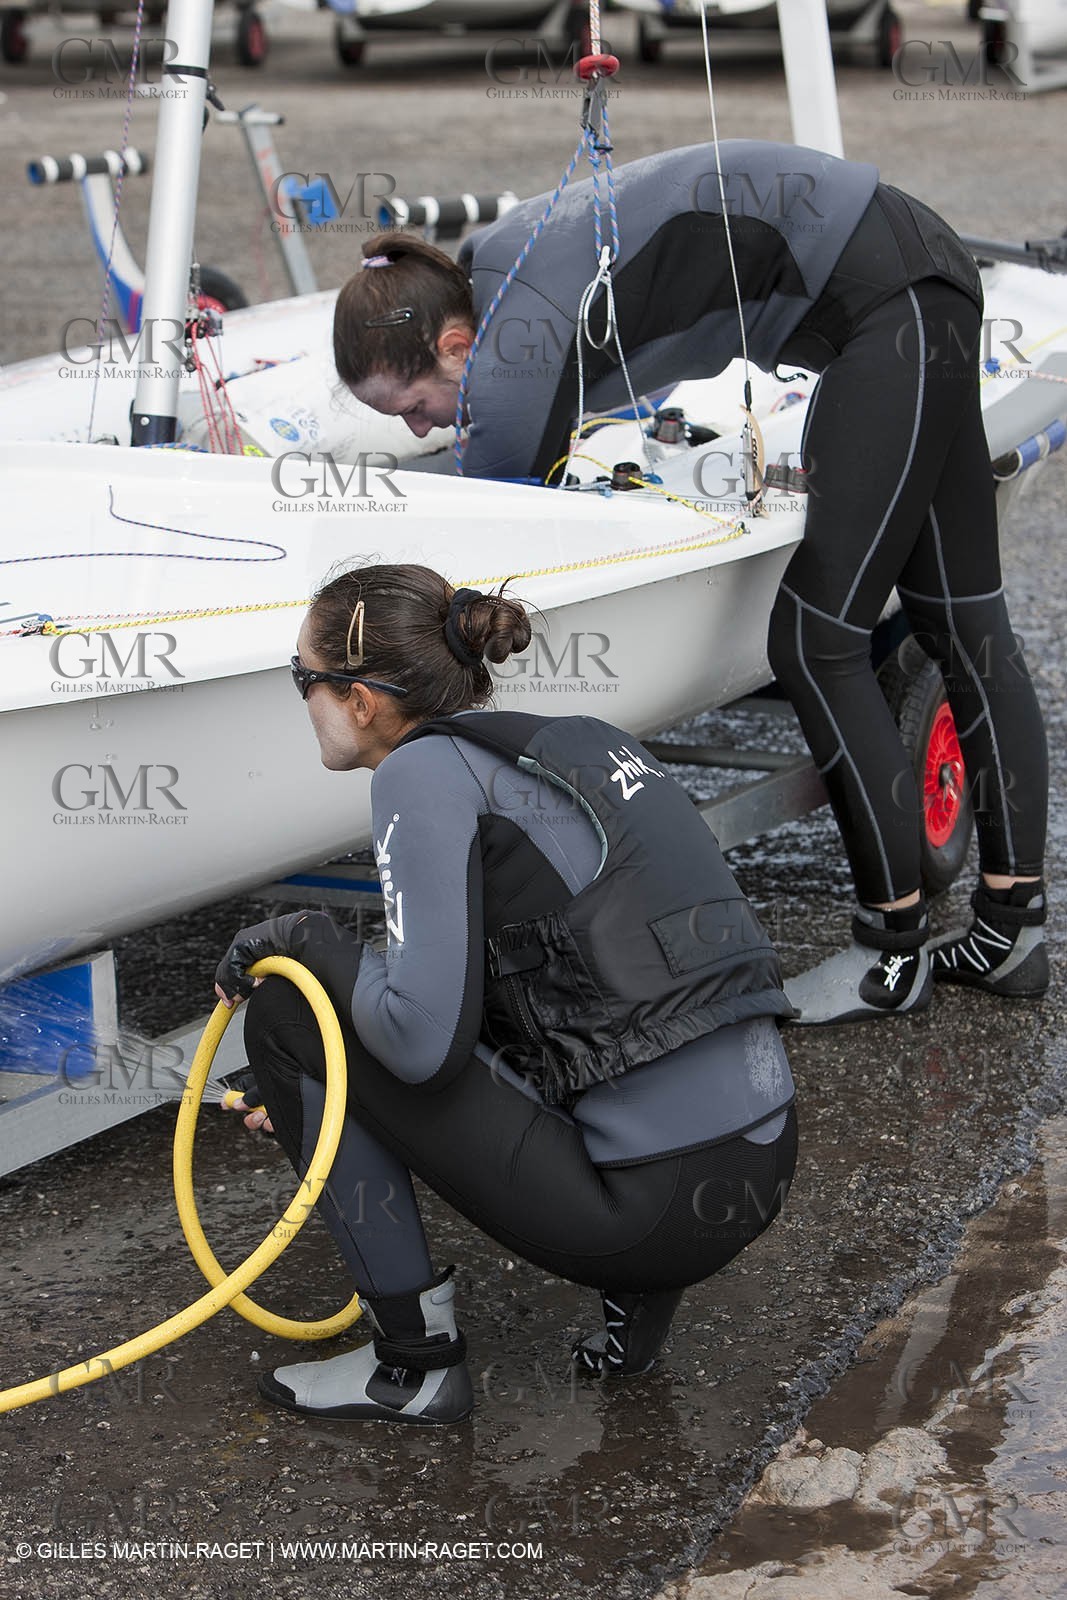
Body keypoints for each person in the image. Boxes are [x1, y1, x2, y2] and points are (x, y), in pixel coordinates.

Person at [330, 140, 1049, 1025]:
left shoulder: (510, 341)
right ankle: (1011, 930)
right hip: (917, 271)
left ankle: (889, 952)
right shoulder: (495, 269)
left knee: (816, 640)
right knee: (961, 620)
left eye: (414, 408)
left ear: (453, 343)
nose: (420, 429)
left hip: (884, 308)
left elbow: (489, 513)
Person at [215, 563, 797, 1425]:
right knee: (380, 1004)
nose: (300, 699)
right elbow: (556, 981)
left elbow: (421, 1043)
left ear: (360, 699)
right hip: (756, 1164)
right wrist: (329, 1081)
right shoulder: (570, 742)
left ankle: (413, 1369)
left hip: (649, 1214)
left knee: (289, 1010)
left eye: (301, 679)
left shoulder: (417, 777)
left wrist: (303, 939)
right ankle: (634, 1308)